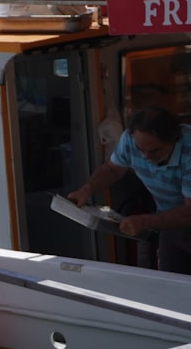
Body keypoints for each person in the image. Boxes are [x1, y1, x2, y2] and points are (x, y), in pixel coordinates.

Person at [68, 106, 191, 274]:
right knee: (169, 283)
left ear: (174, 139)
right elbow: (112, 170)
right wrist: (86, 191)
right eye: (141, 150)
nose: (147, 157)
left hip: (183, 216)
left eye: (155, 150)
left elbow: (188, 213)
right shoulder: (129, 140)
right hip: (169, 226)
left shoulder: (189, 151)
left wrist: (145, 221)